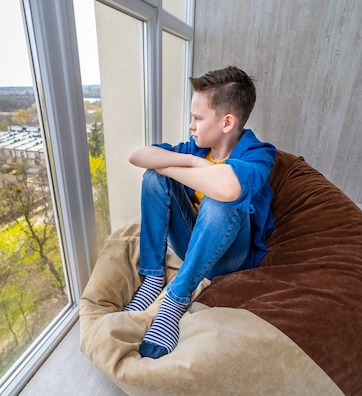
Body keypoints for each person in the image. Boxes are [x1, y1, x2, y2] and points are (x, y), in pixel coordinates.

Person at [124, 65, 276, 359]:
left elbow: (230, 189)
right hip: (191, 243)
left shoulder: (260, 153)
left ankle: (175, 298)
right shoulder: (195, 148)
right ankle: (154, 277)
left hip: (229, 257)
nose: (191, 126)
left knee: (221, 200)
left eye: (197, 118)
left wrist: (183, 165)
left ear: (227, 122)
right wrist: (192, 163)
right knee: (154, 177)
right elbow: (138, 156)